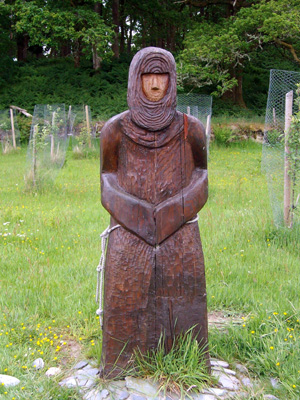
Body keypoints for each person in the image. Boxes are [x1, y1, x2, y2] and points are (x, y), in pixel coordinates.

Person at [100, 47, 209, 377]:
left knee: (184, 284)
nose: (156, 84)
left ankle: (187, 357)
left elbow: (201, 175)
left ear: (172, 80)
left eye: (162, 75)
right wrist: (136, 214)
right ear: (136, 80)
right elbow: (107, 179)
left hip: (180, 227)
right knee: (126, 286)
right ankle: (120, 361)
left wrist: (174, 211)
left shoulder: (191, 129)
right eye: (148, 75)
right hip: (128, 228)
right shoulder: (115, 130)